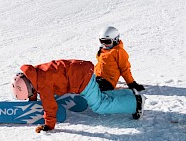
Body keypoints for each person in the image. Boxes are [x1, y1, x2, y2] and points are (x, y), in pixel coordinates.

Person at [12, 59, 145, 133]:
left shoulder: (42, 84)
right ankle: (129, 94)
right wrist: (33, 100)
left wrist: (49, 125)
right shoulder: (35, 73)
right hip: (80, 69)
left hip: (81, 80)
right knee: (100, 95)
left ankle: (136, 103)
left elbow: (50, 107)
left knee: (99, 105)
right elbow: (34, 88)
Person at [94, 26, 145, 92]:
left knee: (94, 90)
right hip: (97, 77)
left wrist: (131, 83)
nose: (104, 44)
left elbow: (124, 69)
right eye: (102, 41)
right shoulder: (103, 49)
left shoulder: (118, 52)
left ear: (115, 39)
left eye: (107, 41)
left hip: (107, 82)